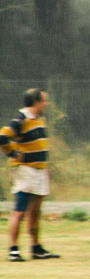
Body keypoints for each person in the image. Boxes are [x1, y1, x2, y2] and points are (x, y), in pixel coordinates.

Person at [0, 88, 59, 261]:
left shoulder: (38, 119)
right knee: (20, 210)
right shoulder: (20, 119)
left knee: (35, 211)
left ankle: (36, 247)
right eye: (44, 101)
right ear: (36, 102)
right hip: (26, 170)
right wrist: (12, 154)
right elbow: (3, 137)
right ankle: (13, 249)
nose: (46, 104)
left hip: (40, 169)